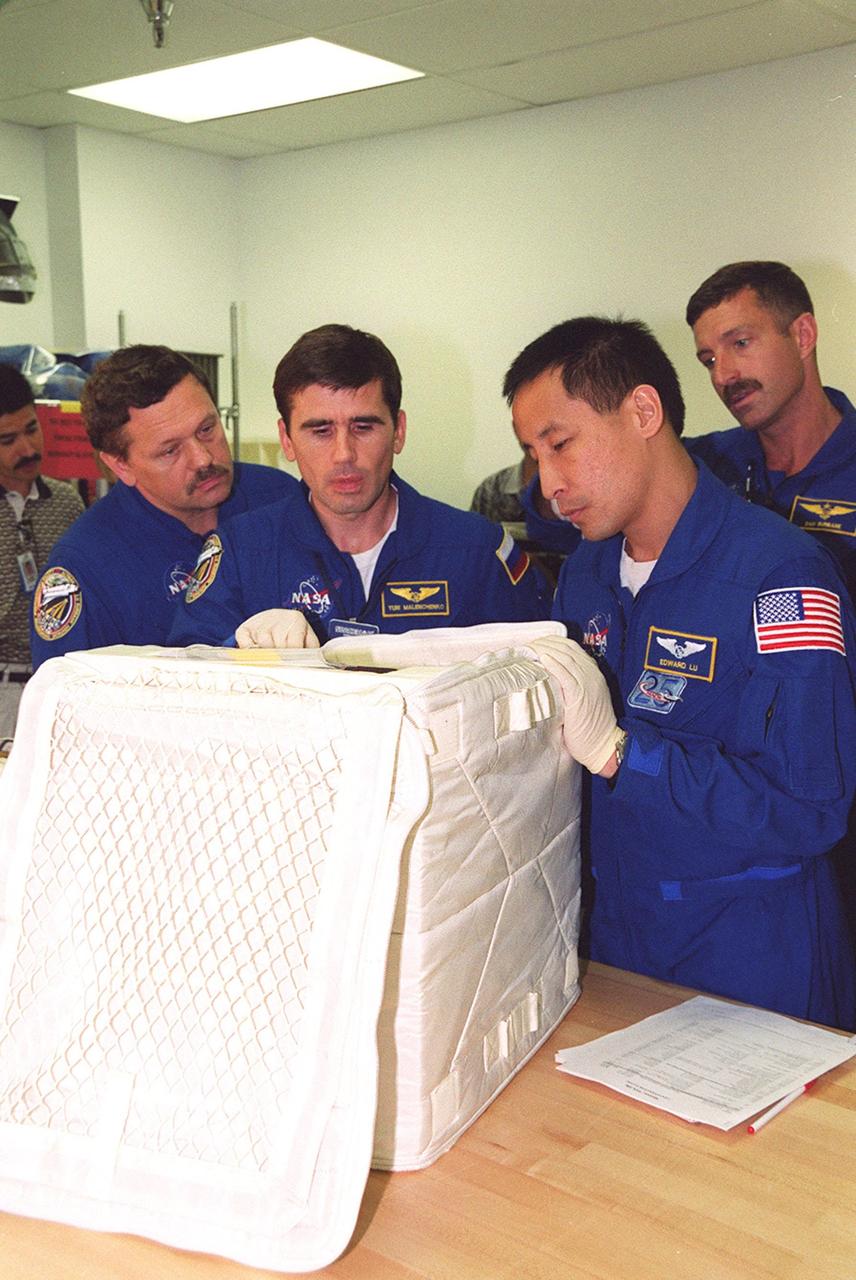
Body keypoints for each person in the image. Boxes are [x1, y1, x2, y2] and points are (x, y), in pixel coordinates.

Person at [504, 315, 856, 1028]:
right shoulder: (587, 574)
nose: (549, 484)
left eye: (561, 445)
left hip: (750, 952)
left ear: (642, 411)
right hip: (618, 943)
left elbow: (810, 806)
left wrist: (626, 755)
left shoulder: (781, 576)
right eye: (533, 456)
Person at [169, 324, 549, 648]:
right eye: (320, 431)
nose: (343, 454)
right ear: (286, 440)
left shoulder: (477, 552)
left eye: (363, 427)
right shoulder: (240, 552)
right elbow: (181, 683)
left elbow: (542, 677)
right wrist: (238, 650)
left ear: (398, 431)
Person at [30, 345, 298, 668]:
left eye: (207, 429)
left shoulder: (278, 497)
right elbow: (67, 703)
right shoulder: (85, 569)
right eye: (170, 450)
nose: (203, 459)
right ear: (121, 466)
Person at [685, 260, 856, 602]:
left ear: (802, 336)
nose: (722, 377)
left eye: (741, 343)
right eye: (710, 361)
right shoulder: (702, 467)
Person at [0, 364, 84, 740]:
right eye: (8, 440)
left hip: (54, 688)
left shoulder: (66, 502)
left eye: (32, 429)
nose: (28, 449)